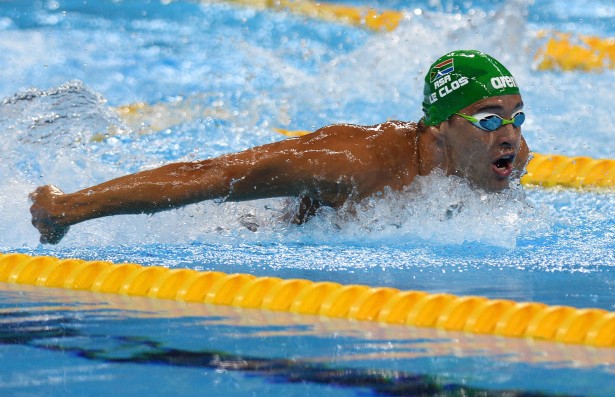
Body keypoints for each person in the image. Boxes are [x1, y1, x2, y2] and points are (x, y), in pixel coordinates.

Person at [30, 50, 529, 244]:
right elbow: (207, 174)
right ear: (440, 127)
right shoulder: (352, 161)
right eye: (489, 119)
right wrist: (67, 209)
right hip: (261, 233)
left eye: (516, 118)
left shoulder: (507, 160)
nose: (510, 135)